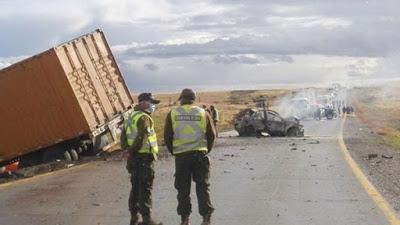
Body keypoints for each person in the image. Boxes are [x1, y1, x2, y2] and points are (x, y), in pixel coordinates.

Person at [164, 88, 216, 225]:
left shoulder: (173, 113)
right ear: (194, 99)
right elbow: (212, 135)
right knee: (202, 187)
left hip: (182, 157)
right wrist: (206, 150)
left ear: (181, 99)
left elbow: (167, 136)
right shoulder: (203, 113)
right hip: (199, 155)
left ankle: (185, 219)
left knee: (183, 189)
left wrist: (174, 151)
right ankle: (206, 219)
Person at [121, 93, 163, 225]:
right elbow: (141, 137)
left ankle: (134, 216)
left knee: (135, 187)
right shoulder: (144, 118)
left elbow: (123, 136)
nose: (153, 106)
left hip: (133, 159)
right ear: (143, 102)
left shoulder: (131, 116)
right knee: (145, 188)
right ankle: (147, 219)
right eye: (151, 103)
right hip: (144, 157)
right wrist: (132, 150)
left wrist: (127, 150)